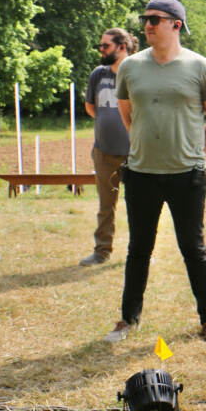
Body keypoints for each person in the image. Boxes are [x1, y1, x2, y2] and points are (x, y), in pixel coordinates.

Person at [103, 0, 206, 343]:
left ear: (176, 24)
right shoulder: (130, 67)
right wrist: (146, 146)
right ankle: (128, 319)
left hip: (187, 174)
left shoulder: (200, 67)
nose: (147, 25)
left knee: (193, 247)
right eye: (145, 19)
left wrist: (194, 152)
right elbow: (128, 115)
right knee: (138, 249)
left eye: (155, 19)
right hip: (141, 173)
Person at [80, 28, 138, 266]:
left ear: (121, 47)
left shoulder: (138, 73)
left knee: (139, 206)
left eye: (105, 46)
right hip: (103, 151)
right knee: (106, 207)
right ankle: (102, 251)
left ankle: (141, 253)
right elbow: (90, 107)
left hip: (136, 153)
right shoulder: (98, 74)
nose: (101, 50)